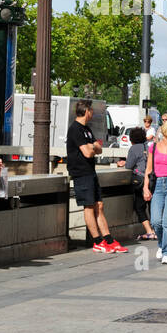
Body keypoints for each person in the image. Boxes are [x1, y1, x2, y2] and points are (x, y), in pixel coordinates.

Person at [67, 100, 123, 253]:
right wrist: (93, 147)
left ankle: (108, 239)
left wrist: (93, 147)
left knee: (99, 205)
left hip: (90, 171)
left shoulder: (86, 129)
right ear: (86, 111)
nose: (92, 113)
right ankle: (97, 241)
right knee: (89, 206)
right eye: (91, 110)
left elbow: (98, 148)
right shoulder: (75, 129)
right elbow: (88, 152)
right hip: (81, 173)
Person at [145, 119, 167, 264]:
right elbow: (148, 169)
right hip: (158, 185)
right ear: (165, 130)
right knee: (155, 221)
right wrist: (145, 188)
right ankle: (161, 244)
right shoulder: (154, 147)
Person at [122, 127, 156, 241]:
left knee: (139, 207)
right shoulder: (150, 146)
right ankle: (156, 230)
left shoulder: (134, 148)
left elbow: (128, 166)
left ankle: (149, 231)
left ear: (132, 139)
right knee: (153, 206)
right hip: (153, 179)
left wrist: (123, 162)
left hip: (141, 181)